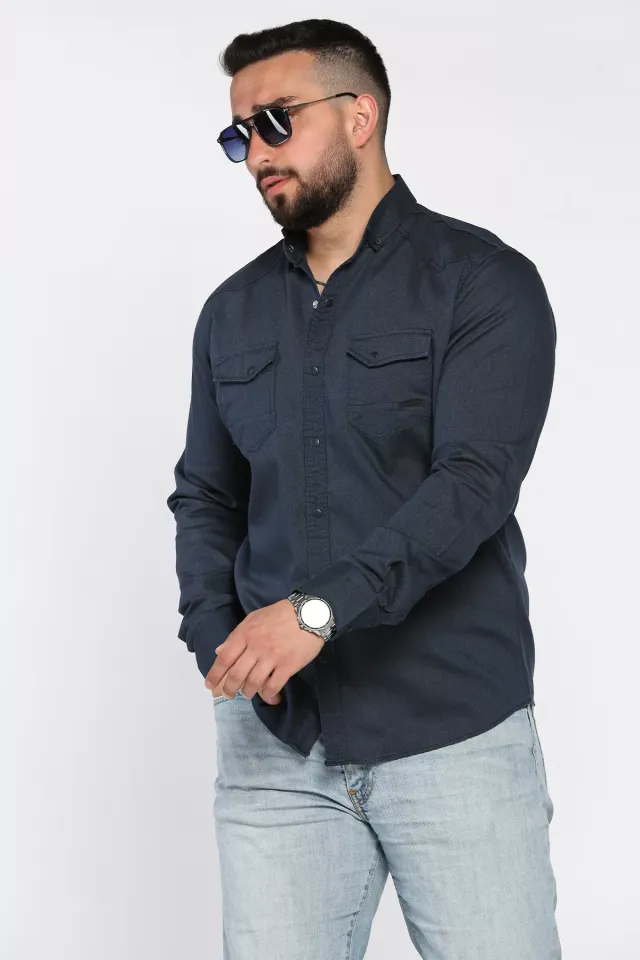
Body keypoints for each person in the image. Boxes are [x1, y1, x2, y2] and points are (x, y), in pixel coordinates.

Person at [166, 17, 562, 960]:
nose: (257, 153)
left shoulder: (483, 284)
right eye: (239, 134)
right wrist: (214, 634)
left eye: (276, 120)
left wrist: (313, 613)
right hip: (276, 746)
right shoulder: (231, 313)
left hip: (453, 733)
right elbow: (206, 495)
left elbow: (472, 486)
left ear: (360, 115)